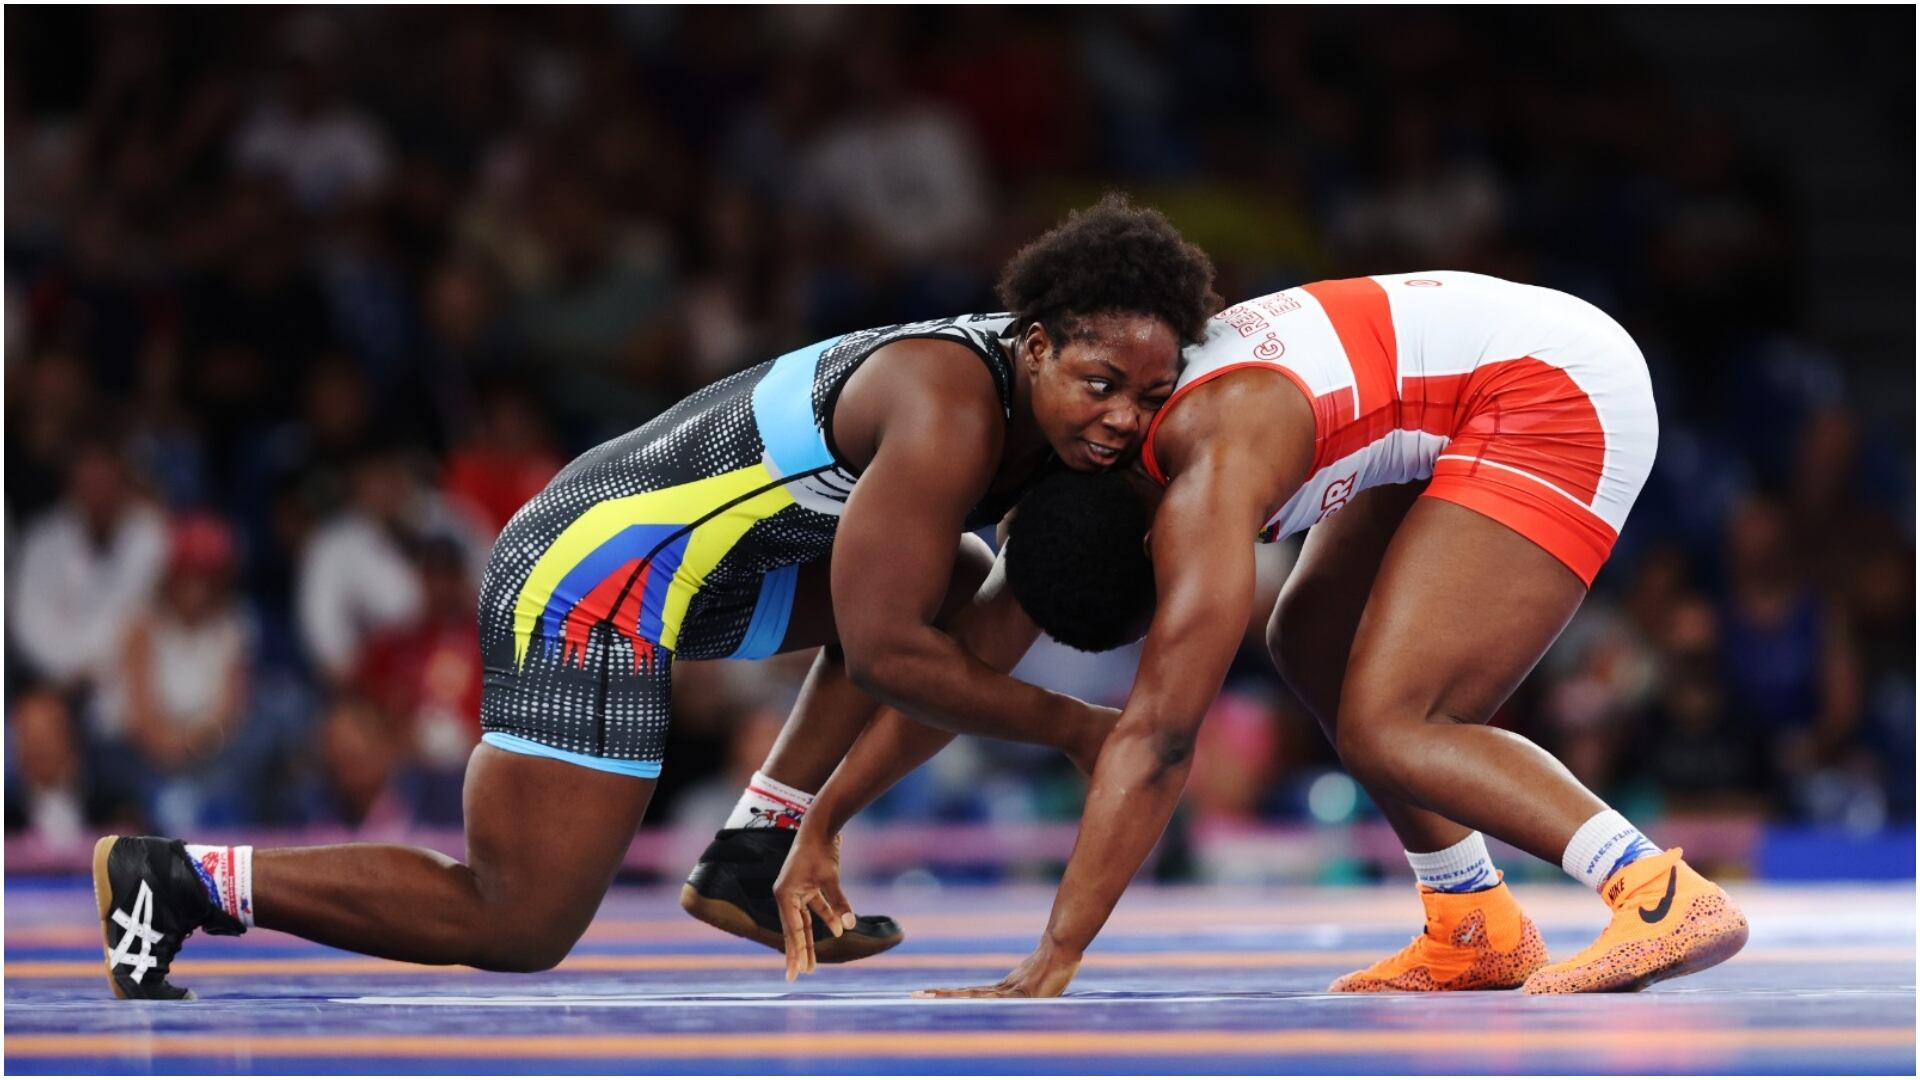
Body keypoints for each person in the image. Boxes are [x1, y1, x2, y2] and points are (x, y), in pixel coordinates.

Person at [90, 195, 1219, 999]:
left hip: (703, 572)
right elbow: (884, 656)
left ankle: (752, 848)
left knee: (959, 574)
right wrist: (1081, 730)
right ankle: (177, 879)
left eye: (1149, 394)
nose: (1123, 419)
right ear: (1034, 346)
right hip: (591, 577)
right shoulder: (950, 409)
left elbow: (937, 615)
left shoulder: (1034, 407)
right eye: (1101, 385)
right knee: (519, 920)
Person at [777, 272, 1749, 996]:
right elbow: (969, 658)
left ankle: (1655, 890)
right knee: (1309, 640)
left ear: (1159, 552)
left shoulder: (1205, 483)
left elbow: (1161, 740)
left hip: (1548, 384)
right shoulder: (1101, 452)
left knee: (1398, 722)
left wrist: (1055, 957)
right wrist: (825, 818)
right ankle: (1471, 920)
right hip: (1459, 381)